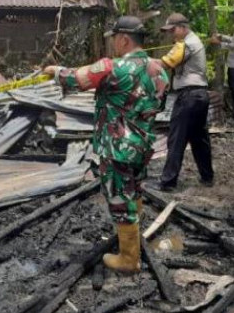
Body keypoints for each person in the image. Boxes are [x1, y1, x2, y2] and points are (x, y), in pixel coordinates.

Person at [43, 16, 168, 274]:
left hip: (117, 147)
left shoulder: (112, 67)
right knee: (135, 189)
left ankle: (129, 258)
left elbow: (75, 79)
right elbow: (157, 104)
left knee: (119, 197)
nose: (113, 44)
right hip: (142, 143)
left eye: (114, 39)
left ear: (123, 39)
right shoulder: (160, 69)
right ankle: (133, 235)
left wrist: (55, 72)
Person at [155, 13, 213, 191]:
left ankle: (168, 182)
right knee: (199, 138)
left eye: (173, 30)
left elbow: (165, 63)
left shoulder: (185, 43)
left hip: (189, 96)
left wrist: (142, 61)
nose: (172, 34)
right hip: (200, 95)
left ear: (182, 27)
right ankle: (207, 176)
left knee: (176, 138)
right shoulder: (194, 41)